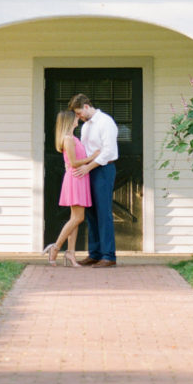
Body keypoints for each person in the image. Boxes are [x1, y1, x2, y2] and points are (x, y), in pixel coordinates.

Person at [68, 92, 119, 267]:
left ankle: (108, 256)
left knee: (103, 212)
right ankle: (95, 253)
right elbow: (85, 150)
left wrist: (88, 167)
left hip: (103, 169)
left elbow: (108, 151)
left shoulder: (106, 122)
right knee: (90, 213)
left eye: (79, 113)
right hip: (87, 169)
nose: (79, 117)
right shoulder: (85, 126)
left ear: (87, 106)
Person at [42, 110, 96, 266]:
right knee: (78, 217)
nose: (77, 119)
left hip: (80, 177)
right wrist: (93, 157)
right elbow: (73, 162)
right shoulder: (68, 139)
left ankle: (70, 253)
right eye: (75, 117)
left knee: (75, 218)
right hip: (76, 178)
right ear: (69, 121)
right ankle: (56, 247)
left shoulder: (74, 138)